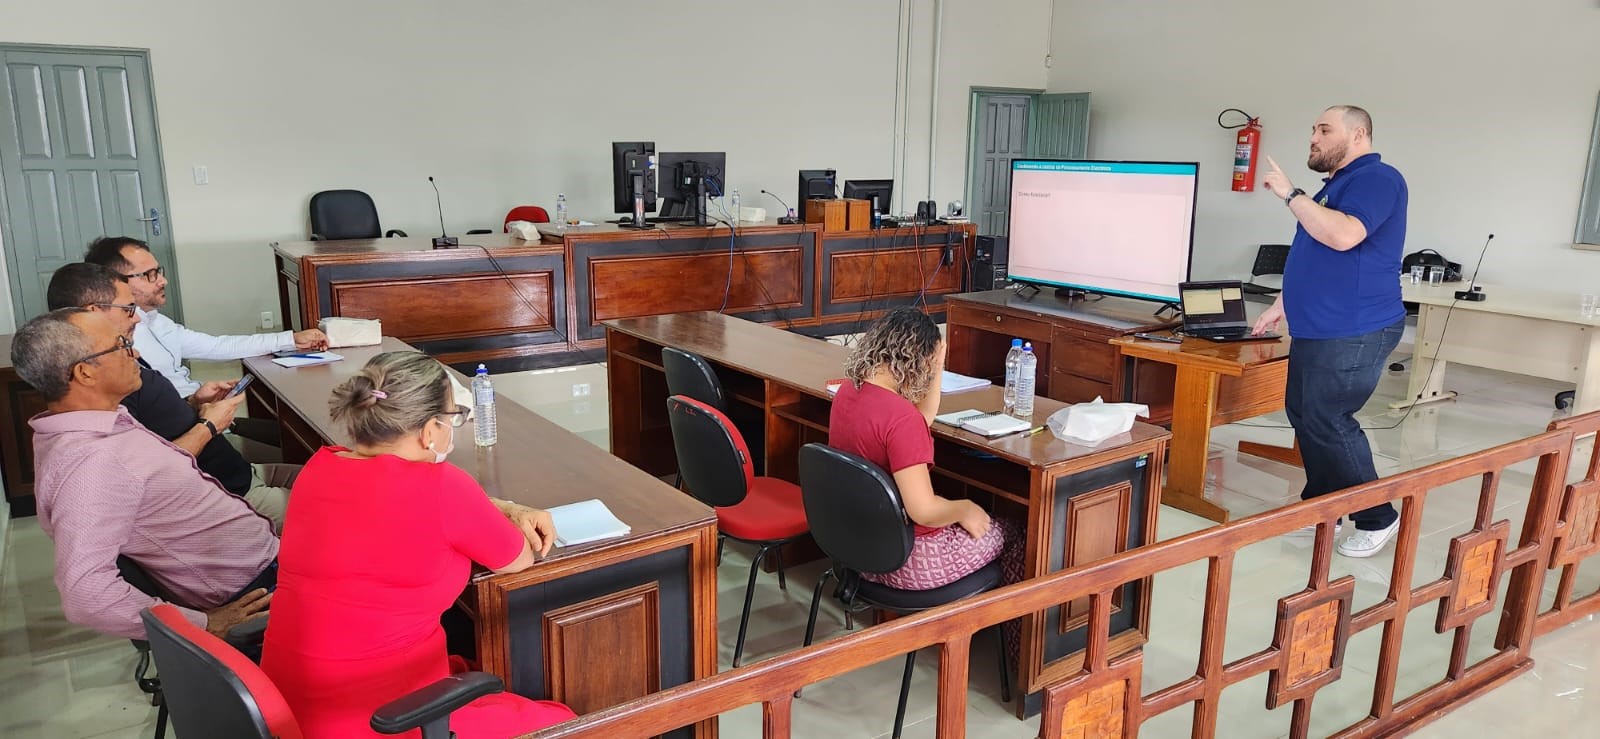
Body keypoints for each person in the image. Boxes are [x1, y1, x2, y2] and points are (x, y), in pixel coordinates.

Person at [261, 351, 575, 738]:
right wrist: (507, 512)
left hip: (289, 710)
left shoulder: (320, 467)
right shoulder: (443, 488)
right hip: (380, 719)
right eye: (454, 417)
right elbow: (518, 559)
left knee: (464, 666)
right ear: (429, 431)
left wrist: (501, 507)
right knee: (562, 723)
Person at [13, 308, 277, 641]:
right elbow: (86, 594)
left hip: (262, 564)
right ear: (85, 373)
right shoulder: (90, 464)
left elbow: (146, 478)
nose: (135, 353)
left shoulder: (103, 424)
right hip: (255, 590)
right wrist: (202, 624)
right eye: (121, 345)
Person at [1252, 105, 1407, 558]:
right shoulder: (1334, 186)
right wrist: (1283, 302)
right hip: (1319, 324)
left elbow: (1344, 236)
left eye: (1324, 130)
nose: (1313, 138)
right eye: (1313, 130)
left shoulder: (1378, 179)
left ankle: (1377, 516)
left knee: (1328, 418)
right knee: (1304, 414)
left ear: (1358, 135)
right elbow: (1315, 251)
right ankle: (1323, 506)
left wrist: (1290, 194)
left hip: (1354, 326)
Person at [45, 263, 296, 530]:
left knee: (323, 470)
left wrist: (193, 403)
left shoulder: (126, 358)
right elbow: (150, 474)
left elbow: (155, 425)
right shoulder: (108, 384)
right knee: (328, 504)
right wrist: (209, 426)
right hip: (229, 494)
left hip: (240, 472)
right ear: (93, 313)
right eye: (128, 309)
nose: (137, 319)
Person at [828, 307, 1022, 590]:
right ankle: (999, 617)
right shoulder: (902, 419)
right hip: (910, 561)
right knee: (1014, 531)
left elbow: (922, 418)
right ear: (919, 361)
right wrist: (965, 509)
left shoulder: (847, 392)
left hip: (861, 550)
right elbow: (924, 511)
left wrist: (938, 364)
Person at [82, 235, 327, 399]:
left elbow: (216, 346)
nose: (162, 281)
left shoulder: (154, 319)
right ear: (115, 282)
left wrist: (291, 339)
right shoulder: (112, 342)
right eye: (150, 275)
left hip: (199, 411)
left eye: (158, 271)